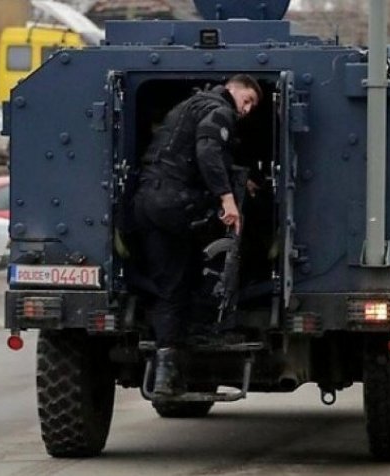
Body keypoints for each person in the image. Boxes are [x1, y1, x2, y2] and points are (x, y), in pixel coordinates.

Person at [133, 74, 262, 396]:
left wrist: (236, 177)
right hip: (177, 203)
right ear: (233, 88)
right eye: (248, 100)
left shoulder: (187, 106)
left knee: (169, 286)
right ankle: (211, 328)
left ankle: (166, 372)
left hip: (148, 202)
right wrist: (227, 198)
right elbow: (207, 150)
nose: (246, 110)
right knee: (219, 252)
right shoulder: (220, 110)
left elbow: (184, 151)